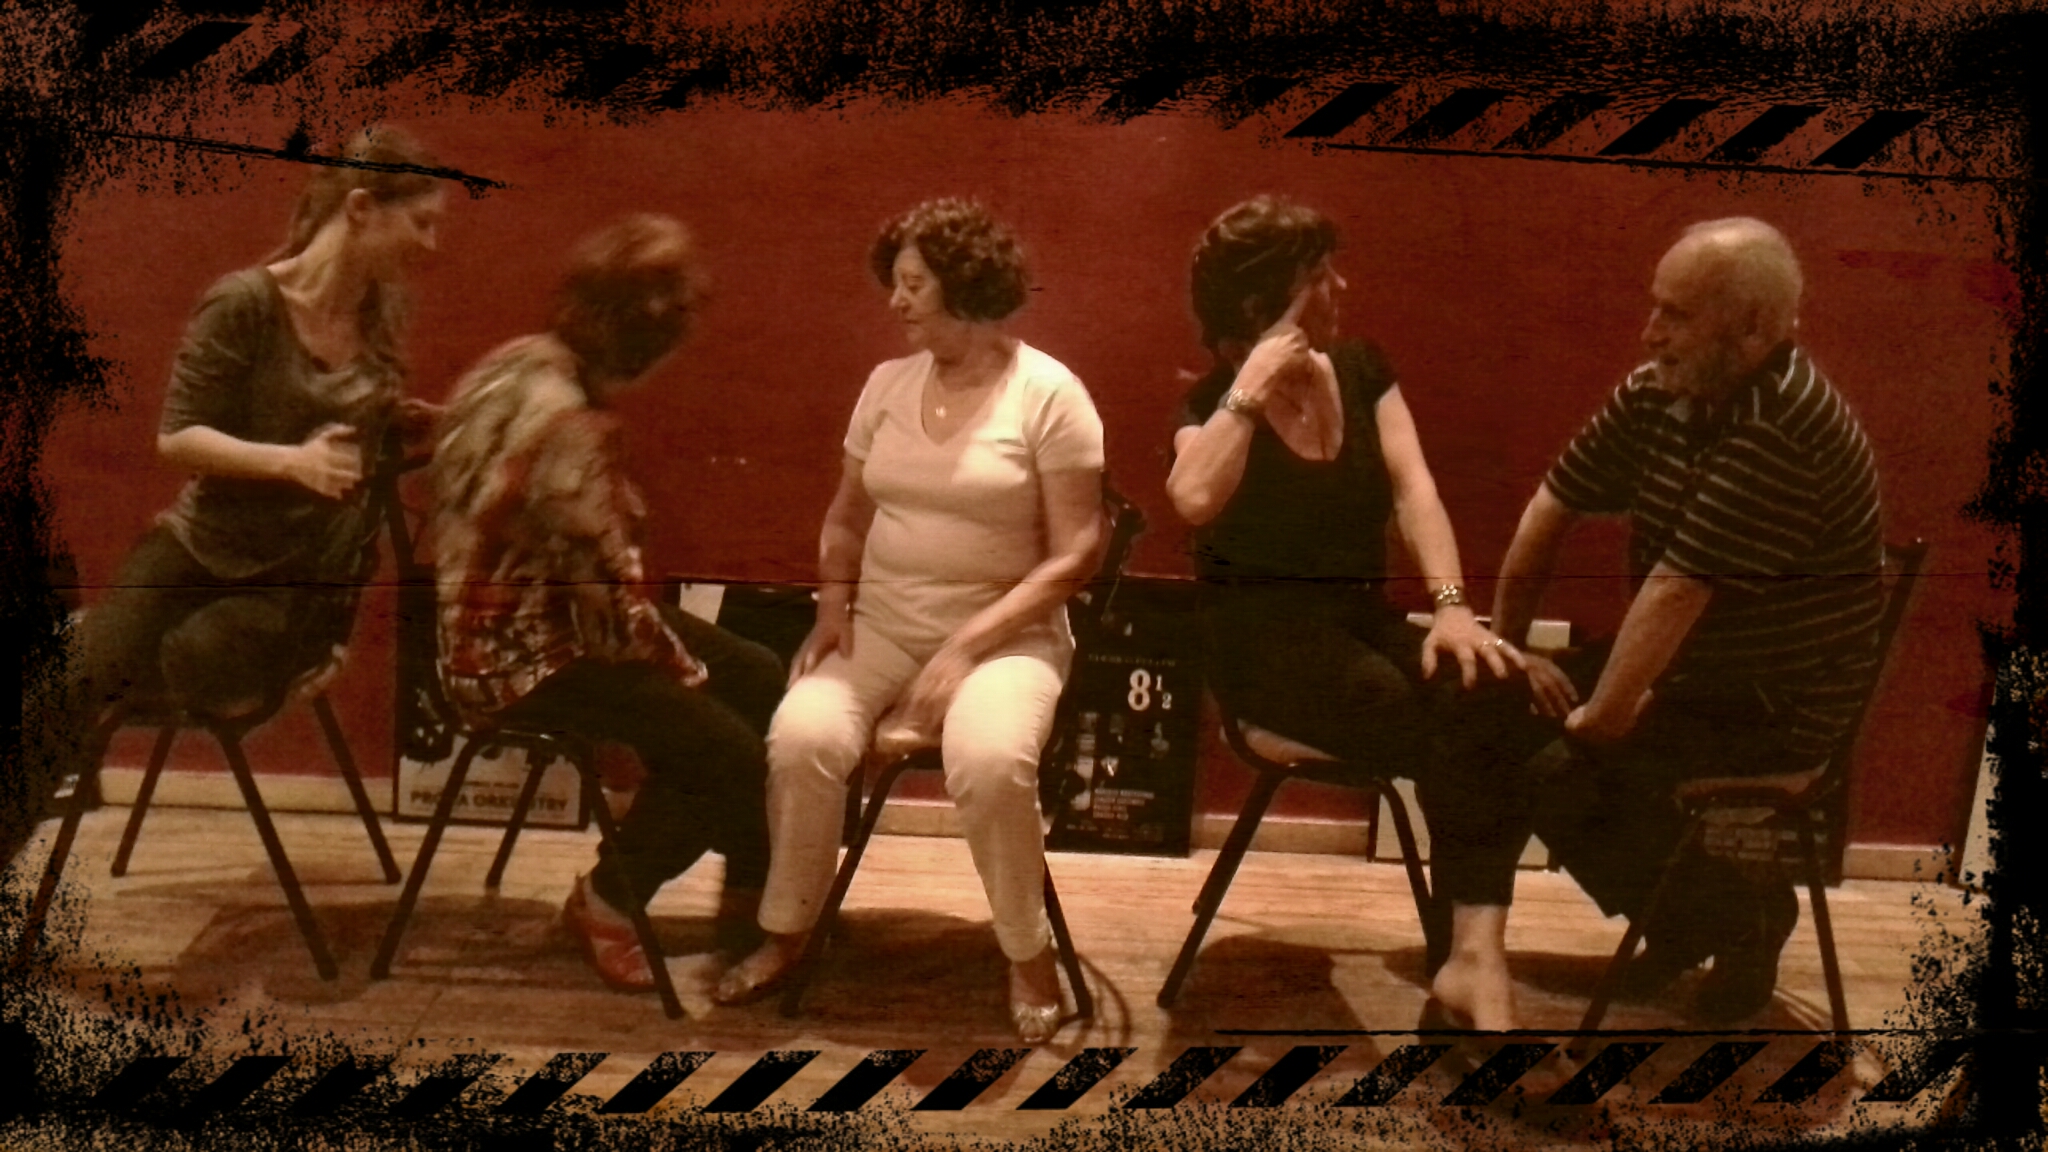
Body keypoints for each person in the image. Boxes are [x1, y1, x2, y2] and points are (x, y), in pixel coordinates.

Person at [1431, 217, 1885, 1029]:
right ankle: (1479, 960)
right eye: (1656, 308)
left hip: (1772, 706)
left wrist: (1599, 717)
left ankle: (1734, 917)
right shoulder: (1660, 391)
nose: (1651, 333)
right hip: (1694, 673)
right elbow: (1550, 509)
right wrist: (1506, 649)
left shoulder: (1783, 424)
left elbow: (1676, 591)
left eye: (1676, 314)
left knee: (1546, 765)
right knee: (1475, 703)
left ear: (1752, 328)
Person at [715, 199, 1106, 1042]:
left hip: (1007, 642)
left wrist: (963, 651)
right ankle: (790, 931)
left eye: (913, 284)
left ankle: (1027, 953)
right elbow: (846, 516)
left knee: (990, 760)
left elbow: (1079, 553)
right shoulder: (886, 386)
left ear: (964, 286)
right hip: (886, 625)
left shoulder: (1049, 394)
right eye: (895, 283)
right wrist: (831, 605)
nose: (895, 301)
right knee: (803, 735)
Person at [9, 127, 448, 871]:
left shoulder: (382, 314)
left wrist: (397, 426)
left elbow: (347, 443)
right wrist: (291, 462)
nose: (431, 245)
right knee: (66, 688)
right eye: (422, 222)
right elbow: (178, 439)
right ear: (362, 208)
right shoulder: (246, 303)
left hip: (290, 573)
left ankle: (105, 641)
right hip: (196, 548)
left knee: (201, 661)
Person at [1164, 194, 1522, 1025]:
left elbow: (1414, 490)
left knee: (1484, 687)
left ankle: (1473, 961)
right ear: (1262, 304)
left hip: (1361, 623)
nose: (1342, 288)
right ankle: (1470, 965)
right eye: (1320, 276)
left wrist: (1453, 610)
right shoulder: (1211, 407)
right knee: (1464, 725)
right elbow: (1192, 497)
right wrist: (1249, 389)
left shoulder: (1362, 370)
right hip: (1262, 647)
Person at [429, 214, 785, 994]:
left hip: (495, 620)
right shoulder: (574, 426)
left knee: (758, 673)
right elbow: (614, 616)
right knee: (730, 751)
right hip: (518, 655)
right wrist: (685, 674)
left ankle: (753, 886)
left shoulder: (517, 362)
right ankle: (609, 902)